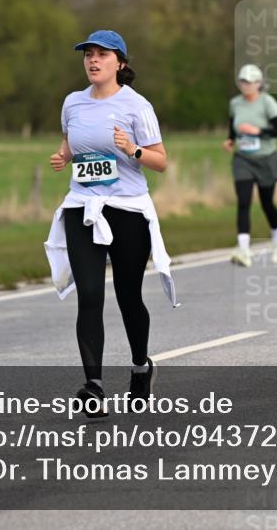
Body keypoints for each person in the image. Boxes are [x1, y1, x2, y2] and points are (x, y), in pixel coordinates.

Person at [44, 30, 178, 418]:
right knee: (89, 296)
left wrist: (131, 149)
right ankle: (94, 386)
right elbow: (73, 143)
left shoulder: (137, 106)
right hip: (82, 206)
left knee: (127, 295)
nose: (92, 60)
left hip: (127, 209)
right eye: (88, 54)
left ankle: (140, 367)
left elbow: (160, 160)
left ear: (119, 62)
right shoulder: (72, 103)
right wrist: (62, 157)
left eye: (101, 54)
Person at [224, 64, 277, 267]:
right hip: (243, 159)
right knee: (243, 201)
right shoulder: (235, 103)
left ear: (259, 84)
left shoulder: (268, 103)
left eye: (250, 82)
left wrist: (257, 131)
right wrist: (231, 140)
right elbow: (233, 125)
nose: (246, 86)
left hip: (266, 158)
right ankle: (243, 249)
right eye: (243, 82)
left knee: (266, 202)